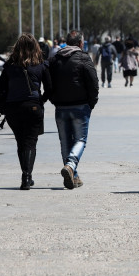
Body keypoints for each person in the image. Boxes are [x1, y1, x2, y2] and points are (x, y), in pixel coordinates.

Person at [0, 33, 52, 190]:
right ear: (36, 47)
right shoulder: (41, 64)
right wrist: (40, 101)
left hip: (13, 109)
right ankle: (27, 176)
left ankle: (26, 175)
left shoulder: (9, 66)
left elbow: (1, 87)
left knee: (21, 142)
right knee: (30, 142)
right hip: (33, 107)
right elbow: (49, 88)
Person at [48, 30, 99, 189]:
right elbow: (93, 82)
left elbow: (48, 82)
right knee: (80, 140)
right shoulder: (83, 57)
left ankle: (73, 176)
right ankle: (70, 166)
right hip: (80, 105)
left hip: (61, 107)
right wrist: (92, 102)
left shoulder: (54, 59)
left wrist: (54, 99)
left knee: (65, 141)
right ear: (81, 43)